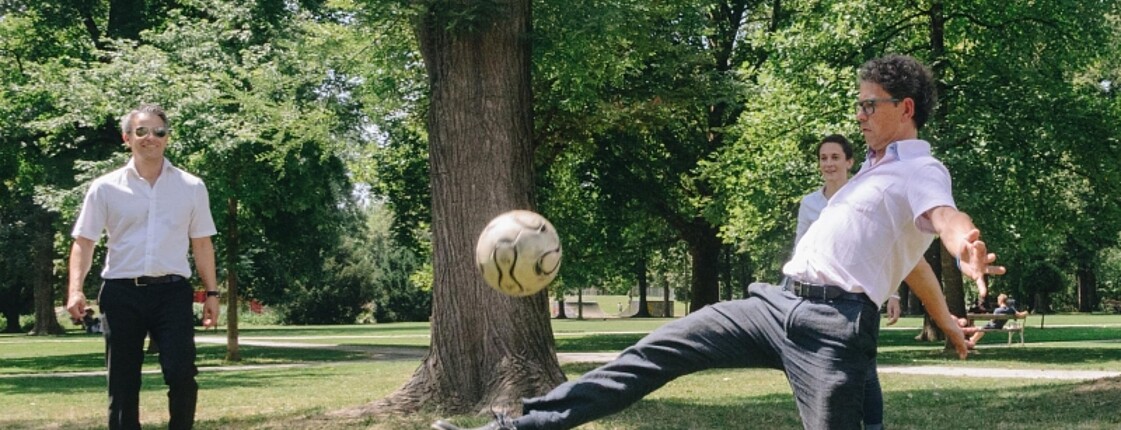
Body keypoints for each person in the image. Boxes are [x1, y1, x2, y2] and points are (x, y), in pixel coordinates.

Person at [432, 54, 1005, 430]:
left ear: (903, 109)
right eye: (857, 104)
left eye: (868, 105)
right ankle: (515, 427)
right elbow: (910, 263)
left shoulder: (919, 171)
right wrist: (949, 322)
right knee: (654, 353)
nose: (858, 115)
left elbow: (945, 217)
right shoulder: (870, 175)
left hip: (833, 330)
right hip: (774, 304)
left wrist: (966, 245)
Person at [66, 103, 221, 430]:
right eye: (141, 131)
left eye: (158, 131)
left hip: (172, 293)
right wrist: (75, 289)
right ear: (127, 138)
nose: (150, 137)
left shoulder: (192, 187)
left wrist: (212, 293)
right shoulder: (105, 187)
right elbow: (84, 241)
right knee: (122, 383)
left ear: (166, 138)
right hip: (121, 292)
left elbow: (202, 243)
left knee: (181, 373)